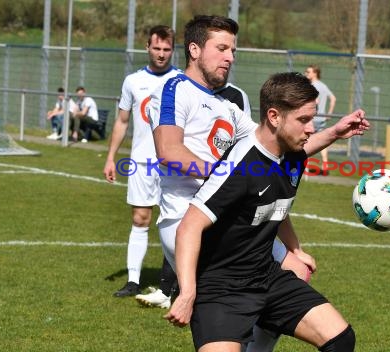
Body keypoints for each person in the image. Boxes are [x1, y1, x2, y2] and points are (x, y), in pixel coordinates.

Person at [165, 72, 368, 352]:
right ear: (274, 117)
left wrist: (334, 132)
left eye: (313, 119)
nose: (311, 128)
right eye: (304, 120)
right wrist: (188, 293)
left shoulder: (290, 153)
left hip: (266, 277)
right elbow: (188, 227)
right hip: (222, 289)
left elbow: (276, 205)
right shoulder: (241, 165)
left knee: (340, 340)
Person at [103, 25, 181, 304]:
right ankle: (134, 280)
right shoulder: (133, 81)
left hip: (174, 162)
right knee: (140, 218)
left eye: (167, 49)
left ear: (173, 50)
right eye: (157, 48)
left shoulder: (182, 81)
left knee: (176, 222)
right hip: (142, 161)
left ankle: (172, 285)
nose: (161, 54)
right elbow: (122, 121)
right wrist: (111, 157)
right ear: (147, 47)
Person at [305, 64, 336, 176]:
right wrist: (329, 114)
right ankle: (325, 165)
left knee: (306, 141)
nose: (306, 74)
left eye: (308, 72)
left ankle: (306, 167)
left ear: (315, 73)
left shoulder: (313, 86)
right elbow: (333, 98)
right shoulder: (323, 86)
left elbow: (315, 101)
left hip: (312, 119)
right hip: (322, 119)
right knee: (322, 143)